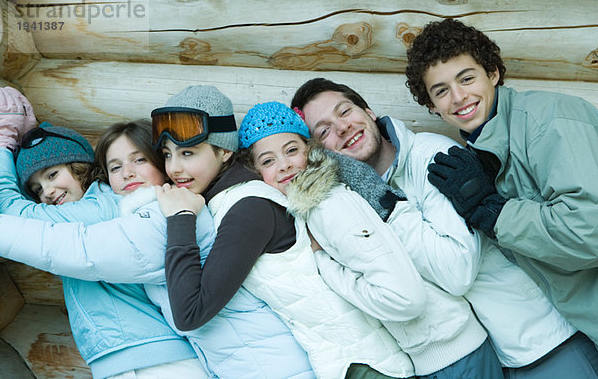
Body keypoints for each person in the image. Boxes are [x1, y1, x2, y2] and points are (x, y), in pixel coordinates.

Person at [0, 85, 315, 379]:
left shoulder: (163, 216)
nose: (129, 172)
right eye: (116, 167)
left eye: (140, 159)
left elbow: (73, 249)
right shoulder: (169, 209)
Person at [291, 78, 592, 377]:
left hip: (544, 341)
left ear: (368, 111)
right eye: (325, 130)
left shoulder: (433, 157)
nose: (341, 128)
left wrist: (387, 205)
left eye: (345, 112)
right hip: (496, 356)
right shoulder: (352, 200)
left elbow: (456, 272)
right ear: (321, 152)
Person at [154, 92, 413, 379]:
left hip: (365, 365)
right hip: (349, 362)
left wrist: (179, 219)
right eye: (167, 154)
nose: (174, 168)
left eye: (188, 153)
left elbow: (190, 313)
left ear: (224, 150)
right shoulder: (246, 197)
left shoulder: (250, 208)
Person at [236, 101, 501, 378]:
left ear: (311, 150)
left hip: (453, 355)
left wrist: (325, 265)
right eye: (268, 161)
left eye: (292, 150)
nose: (284, 165)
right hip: (438, 353)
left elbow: (405, 299)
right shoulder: (312, 207)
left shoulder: (329, 205)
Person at [405, 18, 598, 352]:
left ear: (492, 73)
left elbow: (589, 232)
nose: (459, 97)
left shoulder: (548, 121)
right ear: (432, 106)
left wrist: (494, 212)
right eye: (441, 91)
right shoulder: (481, 153)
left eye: (467, 78)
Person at [0, 91, 206, 379]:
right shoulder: (86, 212)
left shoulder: (103, 205)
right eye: (35, 189)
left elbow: (12, 212)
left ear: (80, 167)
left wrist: (2, 144)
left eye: (52, 175)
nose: (46, 192)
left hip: (153, 360)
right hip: (128, 359)